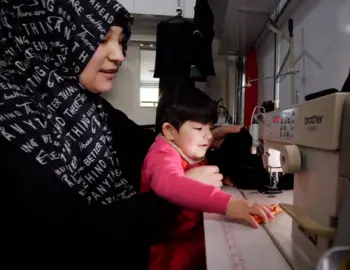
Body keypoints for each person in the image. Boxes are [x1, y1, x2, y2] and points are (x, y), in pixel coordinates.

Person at [0, 1, 241, 269]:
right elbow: (71, 236)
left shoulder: (87, 107)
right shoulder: (11, 120)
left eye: (121, 40)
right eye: (102, 39)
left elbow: (150, 149)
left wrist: (201, 138)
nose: (119, 55)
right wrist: (179, 192)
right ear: (50, 38)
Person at [141, 84, 274, 270]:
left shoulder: (186, 147)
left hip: (193, 233)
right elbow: (172, 184)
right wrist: (229, 204)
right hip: (173, 248)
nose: (208, 136)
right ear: (169, 131)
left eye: (210, 128)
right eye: (198, 128)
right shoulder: (161, 155)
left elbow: (200, 164)